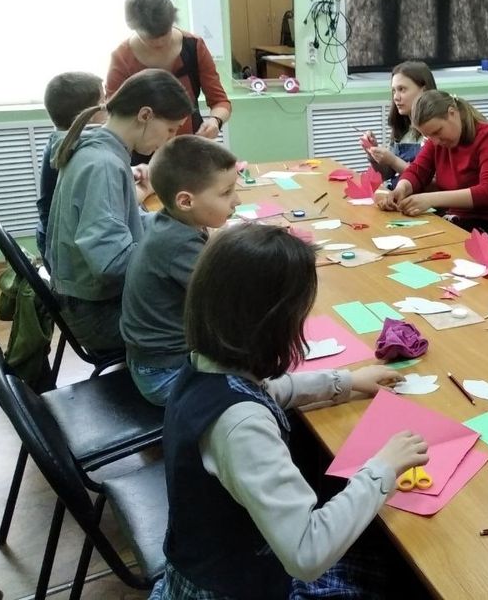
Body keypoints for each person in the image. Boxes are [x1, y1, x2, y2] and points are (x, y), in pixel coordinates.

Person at [152, 224, 429, 599]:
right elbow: (306, 554)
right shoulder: (241, 425)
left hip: (211, 563)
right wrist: (383, 469)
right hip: (241, 588)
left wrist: (346, 381)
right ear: (272, 325)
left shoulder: (205, 366)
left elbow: (268, 390)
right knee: (397, 571)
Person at [46, 69, 193, 356]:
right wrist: (169, 254)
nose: (168, 140)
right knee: (213, 315)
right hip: (98, 316)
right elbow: (112, 265)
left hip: (92, 303)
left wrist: (176, 223)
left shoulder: (100, 150)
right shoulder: (102, 164)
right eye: (171, 130)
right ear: (145, 115)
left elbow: (124, 224)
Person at [120, 136, 239, 405]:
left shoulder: (171, 222)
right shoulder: (180, 245)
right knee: (260, 384)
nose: (237, 200)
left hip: (154, 361)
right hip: (165, 374)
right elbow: (233, 302)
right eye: (226, 193)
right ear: (185, 201)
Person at [375, 90, 488, 242]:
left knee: (432, 242)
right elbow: (417, 171)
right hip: (461, 219)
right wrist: (401, 189)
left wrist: (430, 200)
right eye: (429, 136)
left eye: (437, 131)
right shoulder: (437, 141)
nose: (435, 141)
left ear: (452, 113)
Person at [108, 0, 231, 141]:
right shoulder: (122, 58)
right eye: (150, 39)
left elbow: (220, 101)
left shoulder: (193, 46)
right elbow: (113, 114)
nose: (160, 43)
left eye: (165, 34)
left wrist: (215, 121)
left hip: (189, 142)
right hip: (141, 148)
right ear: (134, 28)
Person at [35, 71, 104, 261]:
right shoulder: (78, 152)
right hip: (62, 254)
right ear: (89, 116)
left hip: (49, 238)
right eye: (103, 103)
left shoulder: (60, 140)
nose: (107, 108)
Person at [359, 60, 437, 188]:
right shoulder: (403, 128)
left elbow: (433, 184)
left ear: (424, 90)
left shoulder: (436, 132)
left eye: (402, 89)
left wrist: (393, 160)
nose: (396, 97)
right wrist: (373, 153)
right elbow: (387, 175)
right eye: (394, 91)